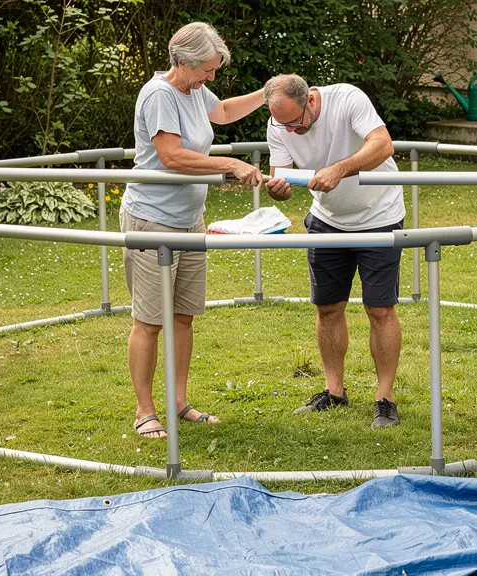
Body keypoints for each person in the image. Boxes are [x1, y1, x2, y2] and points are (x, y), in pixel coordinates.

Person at [122, 22, 264, 439]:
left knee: (183, 317)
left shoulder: (195, 90)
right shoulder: (161, 94)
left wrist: (268, 94)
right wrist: (230, 164)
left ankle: (179, 402)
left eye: (215, 70)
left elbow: (222, 113)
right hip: (153, 220)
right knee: (149, 320)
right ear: (181, 61)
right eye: (207, 69)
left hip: (189, 221)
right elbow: (171, 157)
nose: (212, 78)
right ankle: (145, 411)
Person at [263, 74, 405, 429]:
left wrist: (339, 169)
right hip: (327, 220)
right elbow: (281, 178)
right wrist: (278, 189)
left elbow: (383, 144)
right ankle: (334, 391)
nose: (290, 131)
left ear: (310, 100)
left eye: (295, 122)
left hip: (379, 216)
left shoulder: (347, 99)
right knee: (327, 309)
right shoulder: (279, 123)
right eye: (282, 124)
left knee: (380, 310)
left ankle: (384, 399)